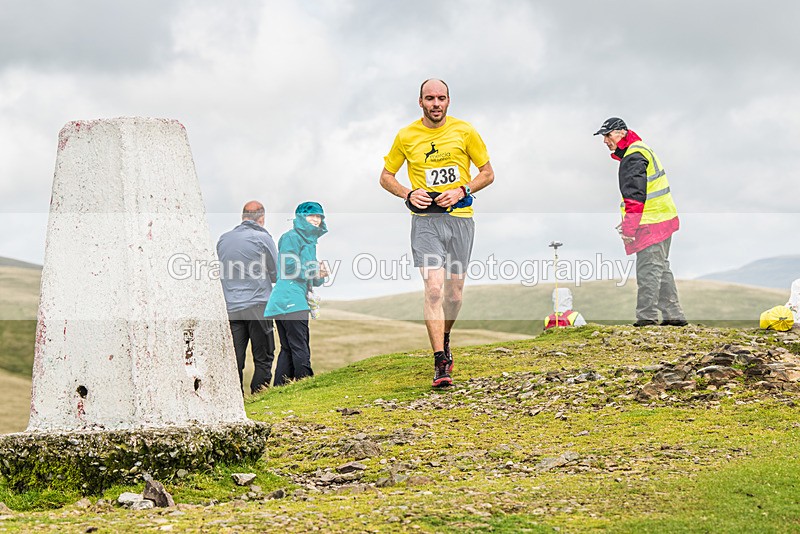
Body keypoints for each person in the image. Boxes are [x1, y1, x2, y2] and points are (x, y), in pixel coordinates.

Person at [379, 79, 495, 387]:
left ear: (448, 101)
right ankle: (440, 361)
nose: (435, 104)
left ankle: (444, 335)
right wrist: (407, 193)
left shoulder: (465, 131)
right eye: (429, 98)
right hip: (426, 222)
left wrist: (462, 190)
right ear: (420, 102)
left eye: (441, 98)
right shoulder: (406, 136)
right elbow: (386, 176)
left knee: (454, 295)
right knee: (433, 290)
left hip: (460, 220)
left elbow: (487, 173)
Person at [594, 117, 688, 327]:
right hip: (663, 219)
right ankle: (674, 315)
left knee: (649, 271)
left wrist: (629, 229)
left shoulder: (633, 156)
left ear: (622, 133)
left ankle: (647, 318)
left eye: (608, 135)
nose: (605, 141)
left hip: (650, 223)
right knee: (661, 269)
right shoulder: (642, 149)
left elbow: (634, 198)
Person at [216, 201, 278, 394]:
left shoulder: (223, 239)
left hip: (231, 306)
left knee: (235, 357)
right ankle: (259, 396)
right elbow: (276, 273)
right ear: (262, 218)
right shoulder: (263, 238)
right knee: (263, 356)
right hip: (258, 304)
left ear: (243, 217)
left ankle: (235, 399)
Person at [264, 202, 329, 386]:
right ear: (301, 217)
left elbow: (309, 276)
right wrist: (314, 271)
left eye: (319, 216)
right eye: (312, 215)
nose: (316, 219)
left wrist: (320, 275)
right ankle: (306, 384)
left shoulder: (310, 242)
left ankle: (280, 388)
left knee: (288, 348)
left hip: (291, 298)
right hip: (289, 298)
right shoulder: (291, 237)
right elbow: (288, 266)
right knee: (300, 345)